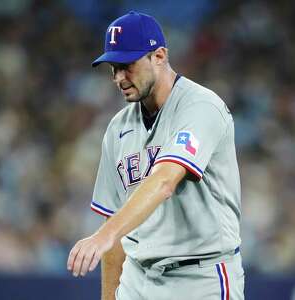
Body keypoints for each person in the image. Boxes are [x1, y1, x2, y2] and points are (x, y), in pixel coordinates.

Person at [67, 11, 245, 300]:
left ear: (159, 56)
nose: (119, 78)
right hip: (138, 279)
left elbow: (164, 182)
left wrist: (104, 234)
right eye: (113, 67)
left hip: (201, 278)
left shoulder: (200, 106)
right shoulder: (117, 128)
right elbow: (115, 221)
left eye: (127, 65)